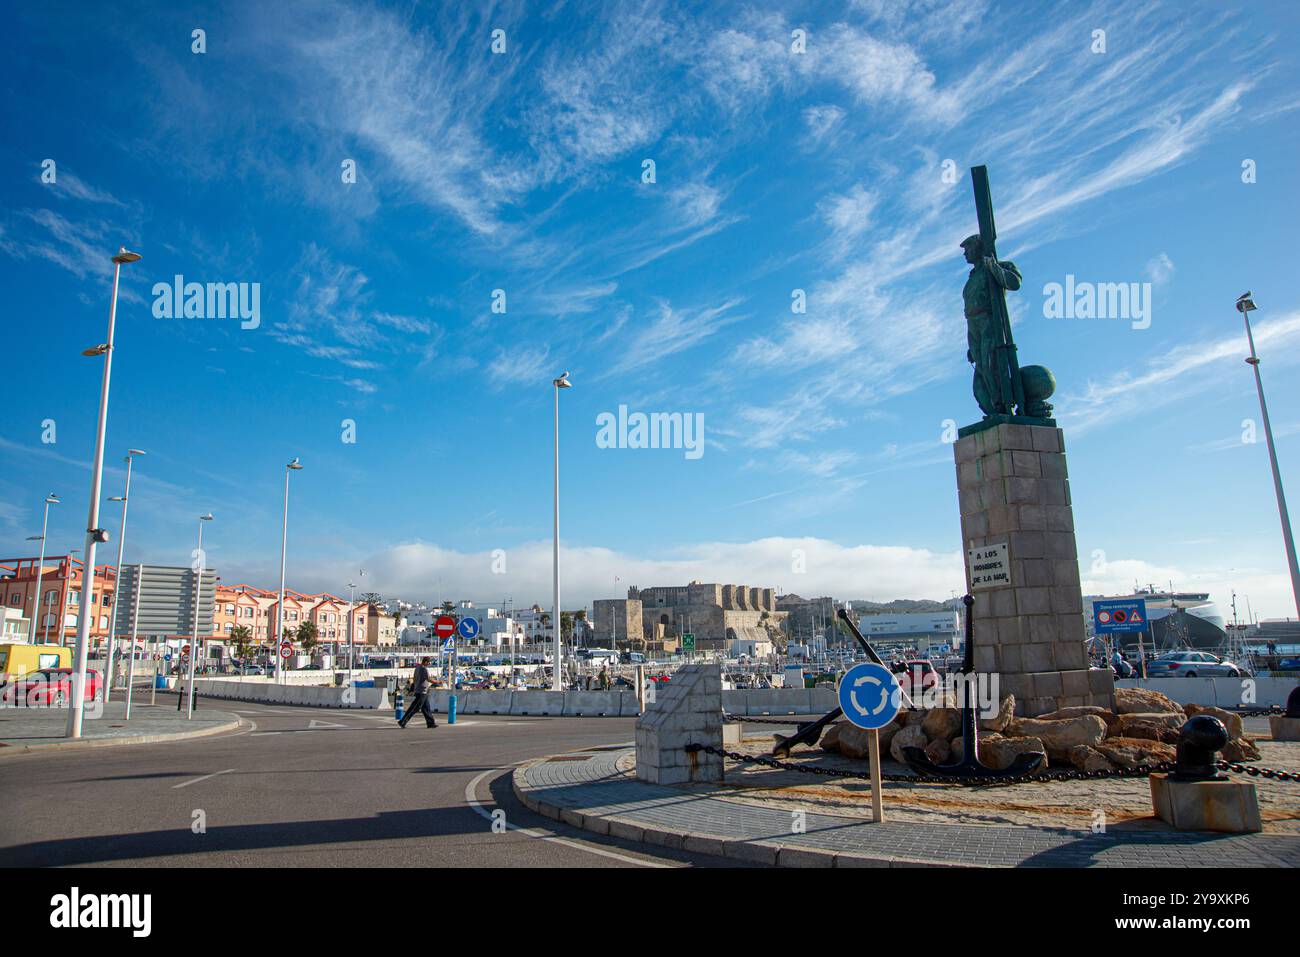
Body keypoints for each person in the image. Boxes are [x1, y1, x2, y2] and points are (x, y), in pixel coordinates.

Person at [400, 657, 438, 729]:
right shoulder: (424, 669)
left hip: (421, 691)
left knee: (426, 708)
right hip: (421, 692)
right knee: (414, 708)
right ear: (426, 662)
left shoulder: (417, 668)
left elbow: (414, 678)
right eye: (428, 663)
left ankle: (430, 723)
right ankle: (403, 721)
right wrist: (437, 682)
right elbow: (428, 679)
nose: (429, 664)